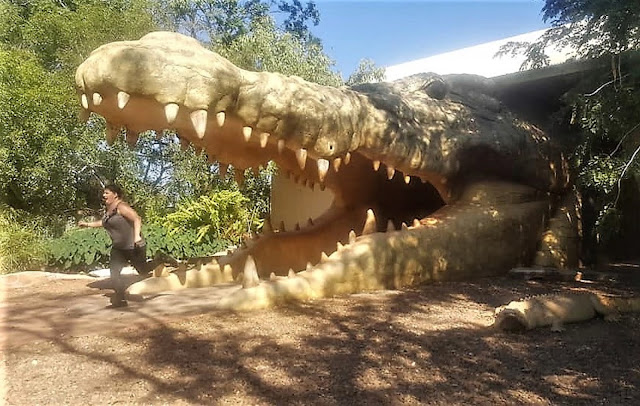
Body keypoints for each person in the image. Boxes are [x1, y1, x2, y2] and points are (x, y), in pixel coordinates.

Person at [79, 184, 155, 307]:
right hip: (119, 248)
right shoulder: (109, 209)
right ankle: (120, 300)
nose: (104, 195)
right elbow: (103, 222)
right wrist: (87, 225)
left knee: (143, 270)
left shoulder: (122, 207)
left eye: (107, 193)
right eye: (104, 193)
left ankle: (161, 259)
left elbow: (137, 219)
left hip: (133, 246)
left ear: (115, 195)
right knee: (114, 273)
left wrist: (137, 236)